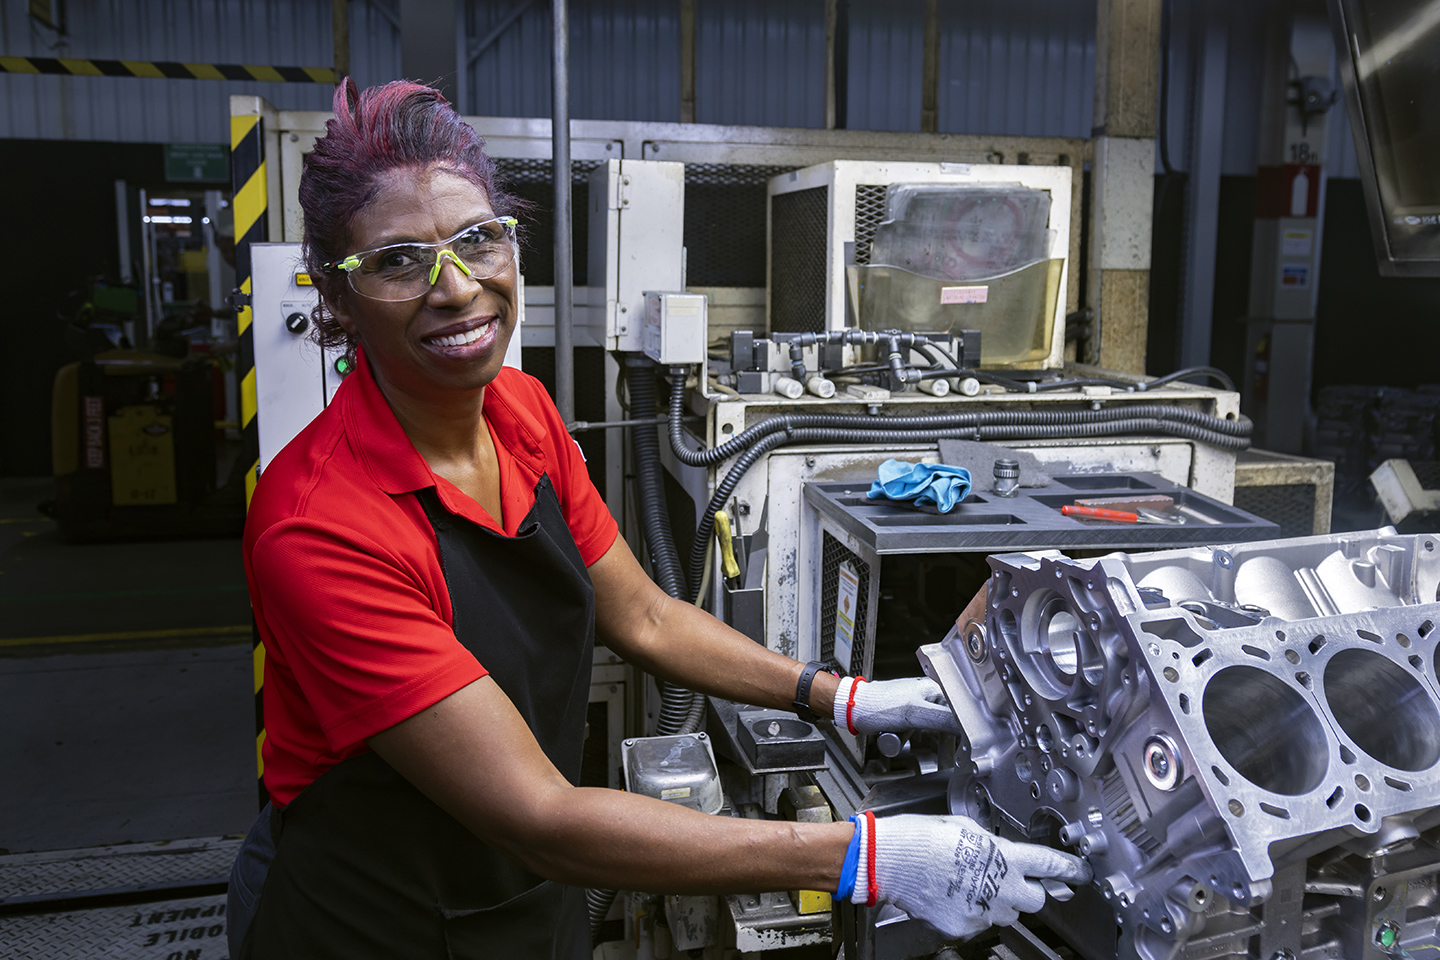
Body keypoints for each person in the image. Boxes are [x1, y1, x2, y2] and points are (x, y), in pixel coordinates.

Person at [227, 78, 1088, 959]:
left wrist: (846, 698)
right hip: (373, 919)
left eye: (477, 239)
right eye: (399, 260)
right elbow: (542, 815)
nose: (455, 288)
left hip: (518, 889)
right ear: (335, 300)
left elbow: (642, 614)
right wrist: (869, 857)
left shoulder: (518, 412)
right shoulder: (320, 527)